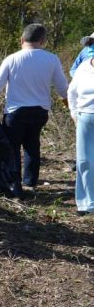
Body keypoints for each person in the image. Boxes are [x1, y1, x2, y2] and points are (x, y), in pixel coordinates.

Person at [0, 24, 68, 191]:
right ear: (43, 40)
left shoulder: (12, 59)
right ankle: (30, 182)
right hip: (40, 111)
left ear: (21, 39)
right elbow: (62, 86)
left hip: (15, 111)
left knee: (12, 148)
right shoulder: (52, 59)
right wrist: (68, 101)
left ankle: (14, 182)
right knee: (32, 145)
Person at [67, 54, 94, 214]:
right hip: (85, 118)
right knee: (85, 161)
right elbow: (72, 92)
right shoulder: (84, 67)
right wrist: (74, 113)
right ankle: (87, 203)